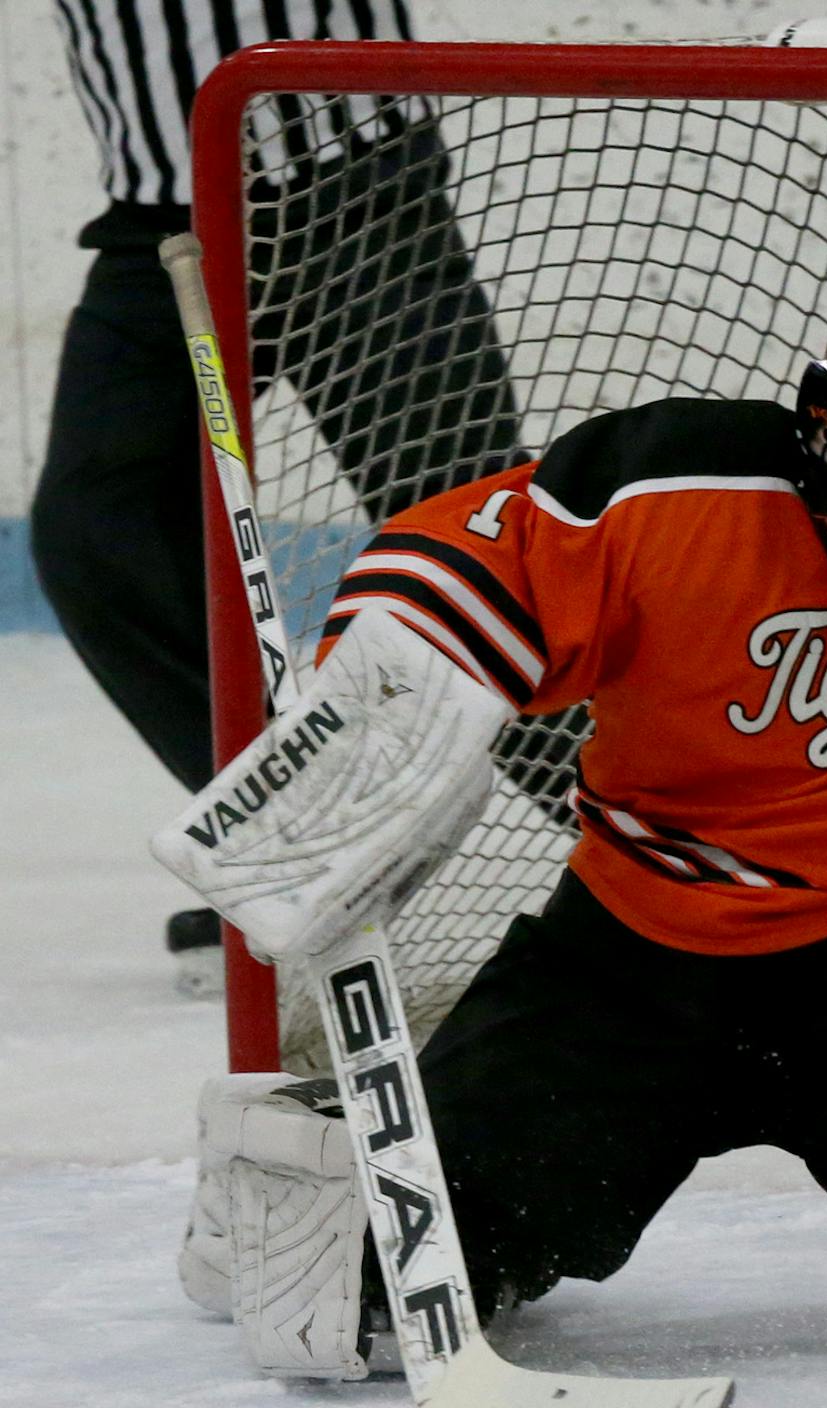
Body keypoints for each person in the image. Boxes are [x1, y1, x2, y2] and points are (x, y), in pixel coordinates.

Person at [166, 274, 827, 1353]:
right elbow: (467, 562)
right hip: (632, 956)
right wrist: (373, 722)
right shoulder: (672, 489)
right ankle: (286, 1171)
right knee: (374, 1279)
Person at [35, 2, 524, 988]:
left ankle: (731, 874)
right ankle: (315, 851)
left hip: (354, 184)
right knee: (97, 531)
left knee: (496, 558)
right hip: (166, 215)